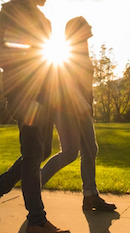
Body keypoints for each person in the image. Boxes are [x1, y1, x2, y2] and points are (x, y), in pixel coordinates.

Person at [0, 0, 71, 233]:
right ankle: (36, 219)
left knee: (41, 151)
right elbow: (5, 52)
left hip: (44, 93)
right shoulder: (11, 11)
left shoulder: (44, 19)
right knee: (33, 153)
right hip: (24, 92)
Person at [42, 16, 116, 212]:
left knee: (90, 149)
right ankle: (34, 186)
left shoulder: (83, 50)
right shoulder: (68, 52)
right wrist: (83, 107)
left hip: (83, 109)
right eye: (86, 25)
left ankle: (90, 196)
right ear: (78, 30)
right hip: (67, 109)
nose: (90, 27)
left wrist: (88, 107)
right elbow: (66, 82)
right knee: (69, 153)